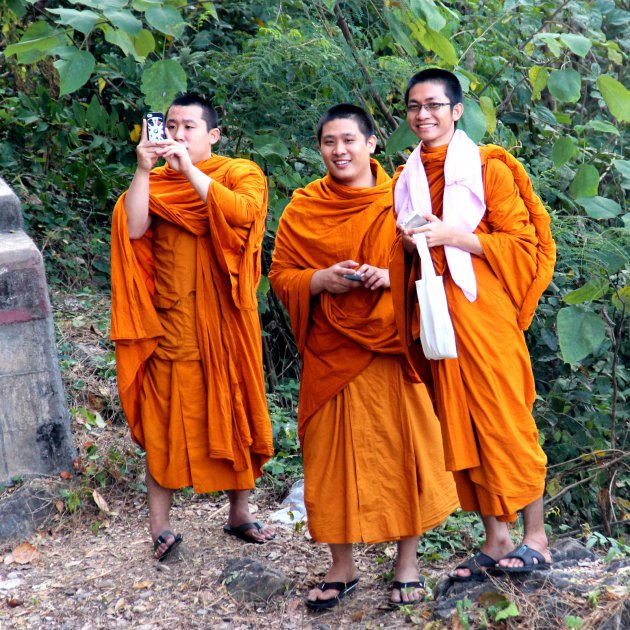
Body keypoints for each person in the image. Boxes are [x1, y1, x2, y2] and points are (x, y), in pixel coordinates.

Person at [269, 104, 458, 608]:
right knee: (330, 460)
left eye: (350, 140)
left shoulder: (402, 195)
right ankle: (342, 566)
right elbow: (281, 274)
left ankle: (407, 566)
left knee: (406, 455)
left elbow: (432, 257)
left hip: (393, 347)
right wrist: (319, 280)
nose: (340, 150)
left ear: (372, 143)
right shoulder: (304, 207)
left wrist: (388, 275)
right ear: (320, 148)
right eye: (330, 141)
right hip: (331, 354)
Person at [389, 68, 556, 581]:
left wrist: (452, 236)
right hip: (438, 315)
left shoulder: (489, 167)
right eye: (415, 106)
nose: (424, 115)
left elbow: (524, 244)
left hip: (484, 314)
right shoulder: (406, 177)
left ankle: (537, 537)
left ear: (457, 110)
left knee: (506, 419)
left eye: (435, 105)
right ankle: (495, 537)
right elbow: (405, 254)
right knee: (462, 424)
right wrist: (410, 242)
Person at [110, 94, 276, 560]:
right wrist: (144, 170)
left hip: (226, 323)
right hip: (174, 324)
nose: (178, 136)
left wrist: (189, 171)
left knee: (236, 408)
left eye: (189, 128)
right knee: (164, 419)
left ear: (213, 135)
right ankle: (159, 525)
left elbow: (243, 214)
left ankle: (239, 513)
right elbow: (135, 228)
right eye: (171, 127)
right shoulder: (155, 182)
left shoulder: (240, 172)